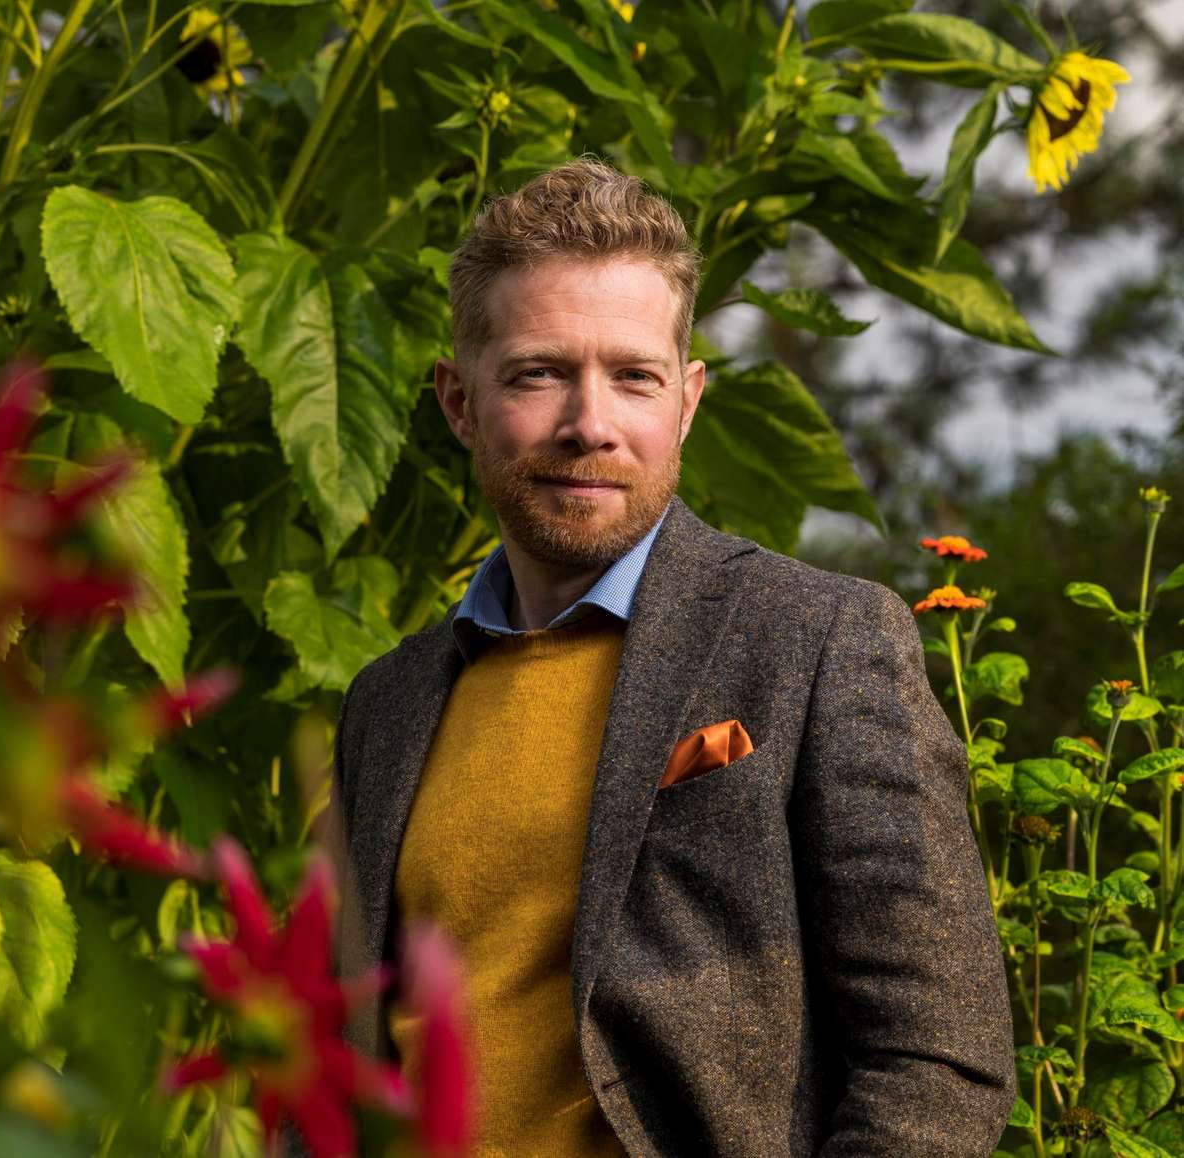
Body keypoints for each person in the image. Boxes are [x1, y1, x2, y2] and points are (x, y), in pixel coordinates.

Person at [291, 158, 1014, 1156]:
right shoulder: (389, 702)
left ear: (686, 399)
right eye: (539, 373)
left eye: (633, 377)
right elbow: (333, 1051)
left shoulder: (817, 642)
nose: (590, 425)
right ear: (458, 402)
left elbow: (938, 1058)